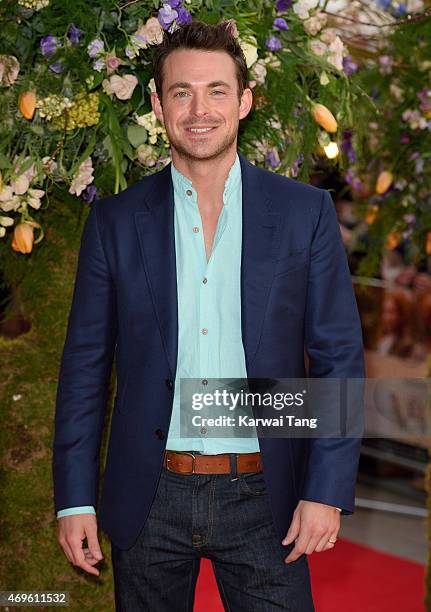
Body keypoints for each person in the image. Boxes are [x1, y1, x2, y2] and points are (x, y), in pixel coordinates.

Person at [53, 20, 365, 611]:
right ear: (157, 104)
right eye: (181, 92)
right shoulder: (115, 222)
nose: (200, 109)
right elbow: (84, 370)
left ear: (244, 100)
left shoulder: (306, 213)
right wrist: (74, 500)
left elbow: (338, 356)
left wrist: (325, 490)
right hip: (148, 495)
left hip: (266, 496)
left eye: (217, 90)